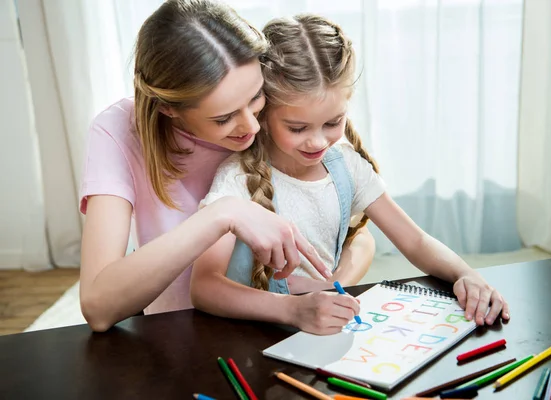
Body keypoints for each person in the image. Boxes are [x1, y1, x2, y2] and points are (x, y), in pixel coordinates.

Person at [190, 14, 510, 335]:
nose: (318, 141)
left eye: (332, 123)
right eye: (297, 128)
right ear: (264, 111)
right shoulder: (237, 179)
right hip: (248, 339)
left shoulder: (346, 165)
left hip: (322, 331)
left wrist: (467, 275)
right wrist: (292, 310)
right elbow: (204, 287)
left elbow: (415, 240)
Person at [78, 0, 375, 332]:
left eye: (256, 97)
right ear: (168, 108)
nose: (252, 126)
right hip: (177, 337)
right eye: (223, 118)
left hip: (272, 330)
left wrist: (329, 287)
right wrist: (222, 214)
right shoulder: (118, 131)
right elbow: (98, 307)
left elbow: (356, 234)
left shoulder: (284, 118)